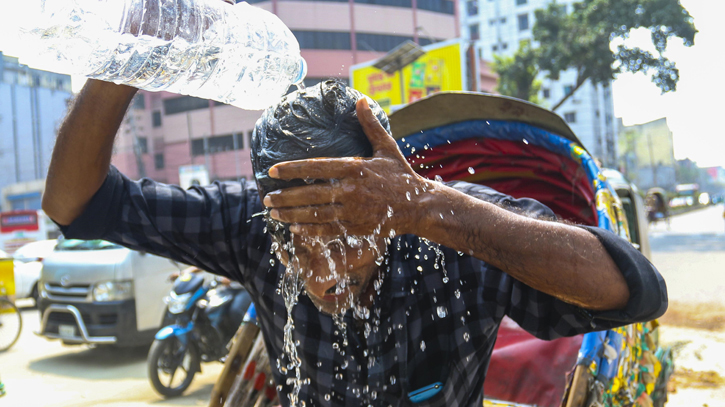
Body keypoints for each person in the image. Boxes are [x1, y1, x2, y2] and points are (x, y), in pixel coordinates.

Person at [42, 79, 667, 406]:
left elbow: (637, 291)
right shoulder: (253, 224)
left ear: (384, 208)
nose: (322, 267)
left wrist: (427, 205)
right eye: (297, 244)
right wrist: (126, 64)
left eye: (345, 237)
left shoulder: (449, 232)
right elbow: (76, 204)